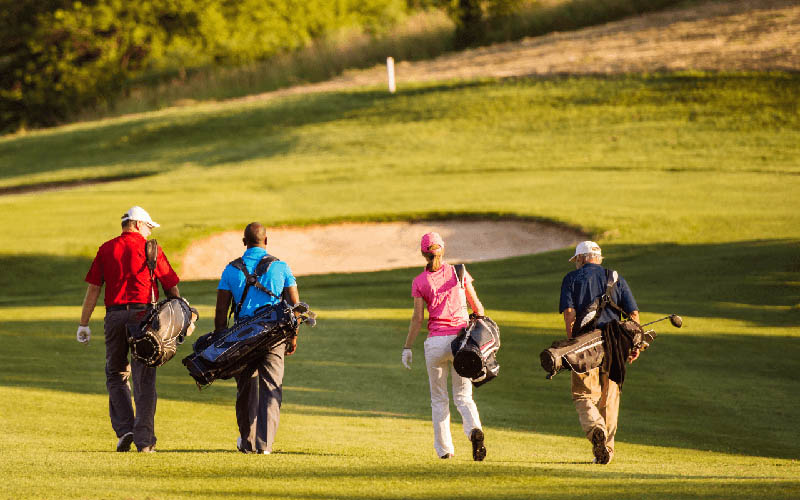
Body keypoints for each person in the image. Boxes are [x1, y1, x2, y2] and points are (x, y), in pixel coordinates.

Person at [77, 206, 181, 453]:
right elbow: (171, 287)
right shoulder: (150, 249)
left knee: (115, 373)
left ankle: (125, 429)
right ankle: (144, 442)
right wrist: (181, 317)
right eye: (148, 226)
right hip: (144, 317)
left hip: (114, 316)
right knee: (143, 379)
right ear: (136, 224)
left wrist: (83, 323)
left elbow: (93, 290)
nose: (148, 231)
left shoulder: (106, 248)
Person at [214, 222, 299, 454]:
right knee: (271, 389)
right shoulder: (281, 267)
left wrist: (220, 341)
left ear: (244, 242)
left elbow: (221, 310)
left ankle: (247, 441)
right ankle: (265, 446)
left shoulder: (231, 269)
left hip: (242, 337)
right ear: (266, 240)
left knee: (245, 390)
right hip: (274, 335)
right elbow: (295, 306)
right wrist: (293, 337)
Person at [402, 232, 488, 461]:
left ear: (423, 254)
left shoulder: (419, 281)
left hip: (435, 344)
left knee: (439, 400)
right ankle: (474, 431)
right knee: (463, 397)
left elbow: (418, 319)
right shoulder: (458, 272)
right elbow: (477, 308)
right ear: (442, 248)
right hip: (461, 343)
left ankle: (445, 451)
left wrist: (407, 347)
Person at [559, 241, 640, 464]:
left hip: (586, 345)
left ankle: (596, 430)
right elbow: (633, 315)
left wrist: (571, 343)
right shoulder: (615, 277)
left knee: (583, 395)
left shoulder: (571, 279)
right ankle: (607, 451)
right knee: (609, 399)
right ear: (597, 258)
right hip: (615, 345)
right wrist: (634, 345)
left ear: (581, 258)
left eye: (576, 260)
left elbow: (569, 313)